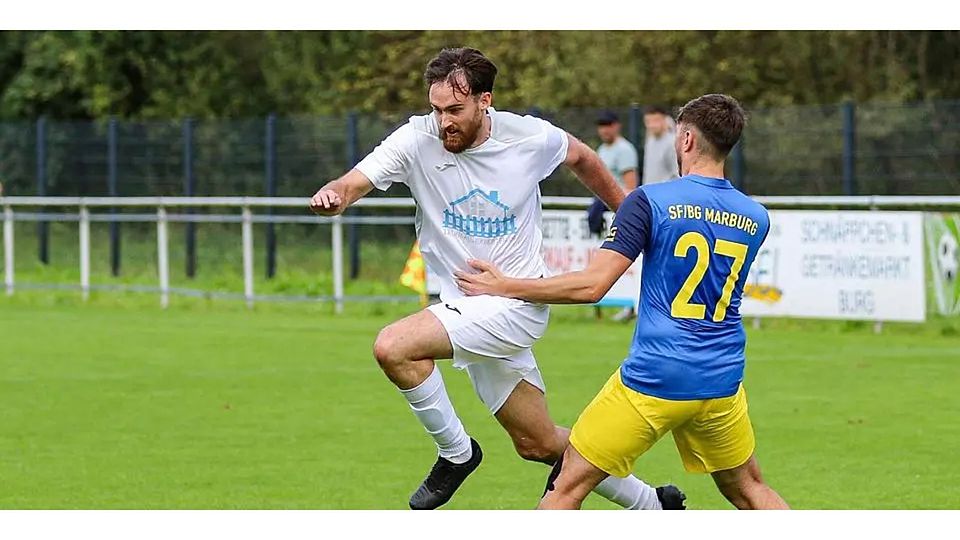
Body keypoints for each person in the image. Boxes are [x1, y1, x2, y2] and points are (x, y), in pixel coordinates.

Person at [309, 47, 684, 511]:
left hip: (515, 305)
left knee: (394, 346)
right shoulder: (415, 138)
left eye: (455, 110)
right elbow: (354, 182)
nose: (442, 121)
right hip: (465, 306)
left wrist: (631, 217)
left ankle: (456, 453)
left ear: (485, 101)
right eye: (436, 109)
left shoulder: (527, 136)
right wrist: (335, 195)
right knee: (539, 443)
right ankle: (651, 504)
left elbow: (583, 158)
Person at [455, 93, 789, 510]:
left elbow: (592, 286)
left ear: (685, 140)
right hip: (721, 379)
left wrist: (505, 286)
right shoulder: (755, 216)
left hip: (656, 377)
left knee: (565, 489)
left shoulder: (649, 202)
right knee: (750, 489)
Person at [642, 105, 680, 186]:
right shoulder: (650, 141)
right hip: (649, 193)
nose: (652, 125)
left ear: (664, 120)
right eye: (648, 121)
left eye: (656, 120)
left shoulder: (673, 142)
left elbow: (677, 174)